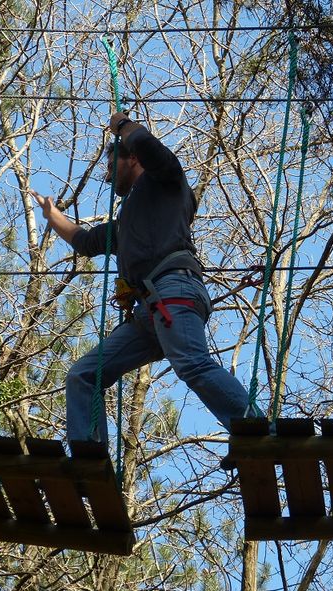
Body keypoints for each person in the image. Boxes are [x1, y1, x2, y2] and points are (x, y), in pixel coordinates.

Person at [30, 112, 256, 444]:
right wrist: (52, 216)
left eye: (111, 166)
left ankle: (254, 430)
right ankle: (89, 455)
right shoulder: (129, 221)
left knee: (192, 363)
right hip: (149, 310)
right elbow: (87, 241)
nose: (107, 177)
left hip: (173, 288)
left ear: (132, 158)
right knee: (84, 375)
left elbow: (151, 149)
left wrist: (122, 126)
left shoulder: (164, 181)